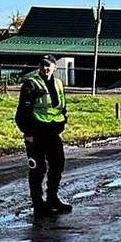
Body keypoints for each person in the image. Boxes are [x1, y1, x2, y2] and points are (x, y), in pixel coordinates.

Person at [15, 54, 73, 217]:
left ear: (55, 67)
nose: (45, 68)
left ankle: (52, 198)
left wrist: (63, 122)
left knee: (57, 165)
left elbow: (62, 106)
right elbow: (23, 111)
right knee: (37, 168)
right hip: (36, 131)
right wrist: (28, 133)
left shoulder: (58, 83)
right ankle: (38, 204)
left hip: (53, 131)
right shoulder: (31, 84)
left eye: (48, 65)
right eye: (42, 65)